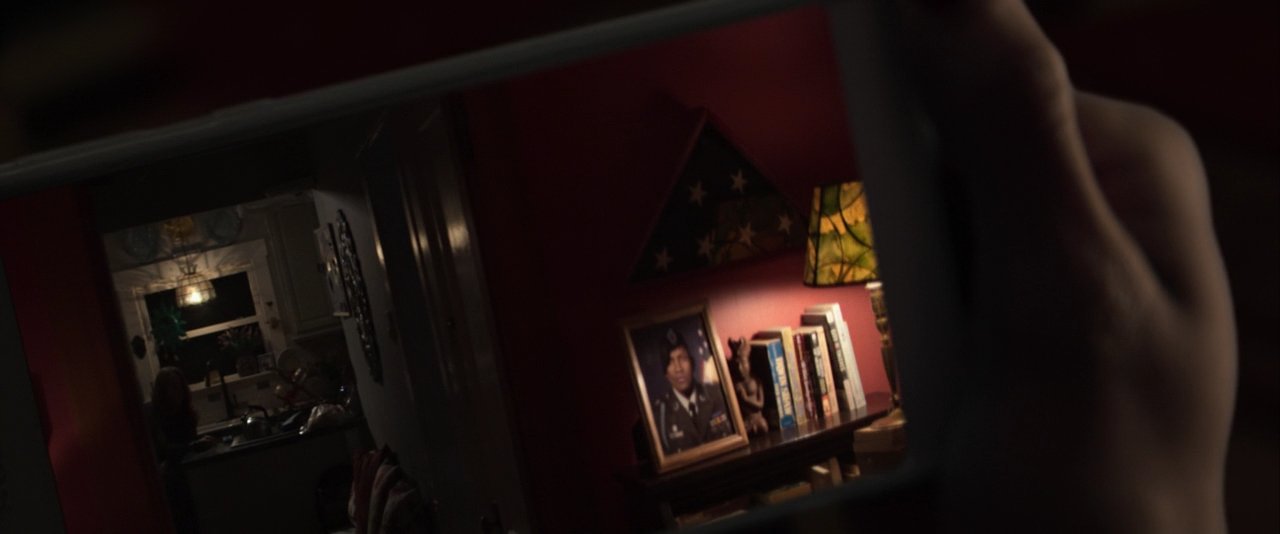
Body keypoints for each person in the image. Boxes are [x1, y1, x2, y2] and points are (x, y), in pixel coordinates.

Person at [651, 328, 734, 454]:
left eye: (683, 358)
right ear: (665, 373)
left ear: (692, 363)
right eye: (670, 362)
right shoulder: (659, 414)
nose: (678, 368)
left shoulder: (718, 394)